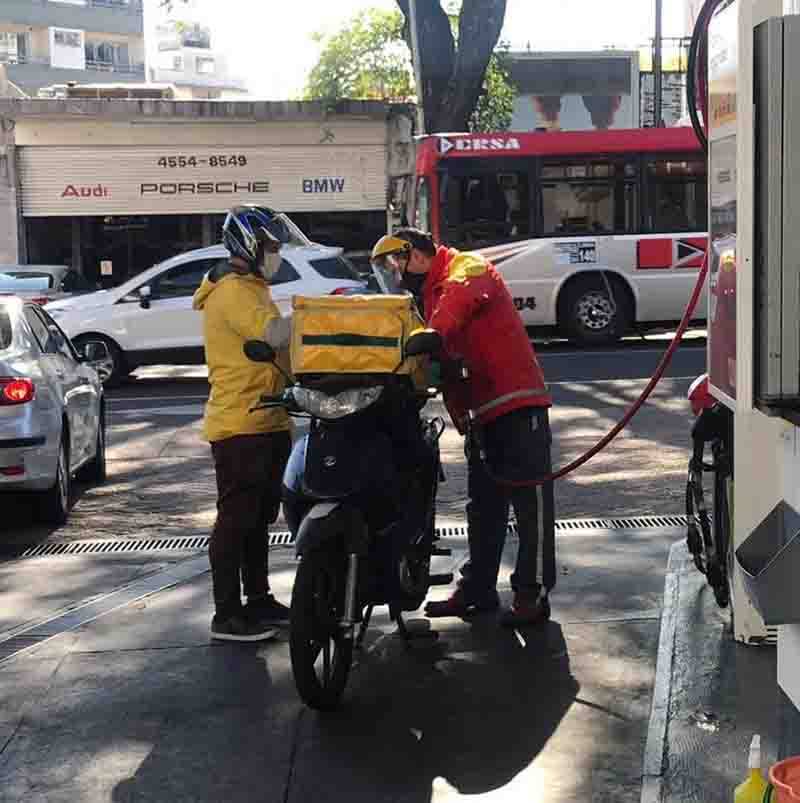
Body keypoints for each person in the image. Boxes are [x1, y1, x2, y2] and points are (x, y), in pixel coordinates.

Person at [370, 228, 556, 627]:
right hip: (482, 413)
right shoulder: (427, 296)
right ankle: (478, 589)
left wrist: (433, 334)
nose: (397, 272)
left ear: (418, 254)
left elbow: (456, 305)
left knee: (529, 505)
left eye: (398, 262)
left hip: (516, 404)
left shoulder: (464, 268)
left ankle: (530, 593)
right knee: (483, 507)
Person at [193, 205, 293, 642]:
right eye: (271, 247)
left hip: (268, 417)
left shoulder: (253, 287)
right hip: (241, 423)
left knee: (258, 518)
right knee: (236, 519)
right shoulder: (232, 291)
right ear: (249, 246)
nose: (276, 254)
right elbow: (271, 336)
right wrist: (321, 319)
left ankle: (258, 599)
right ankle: (226, 615)